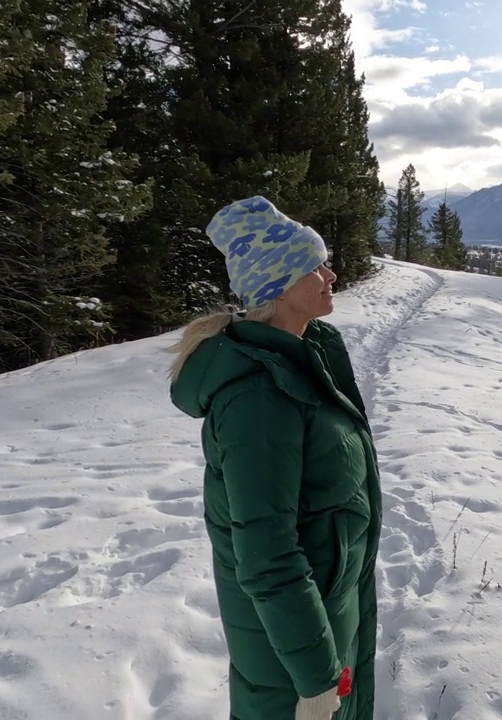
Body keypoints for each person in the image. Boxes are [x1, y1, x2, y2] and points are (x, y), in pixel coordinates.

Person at [168, 196, 380, 720]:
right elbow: (266, 556)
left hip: (323, 617)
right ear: (278, 287)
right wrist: (316, 680)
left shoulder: (305, 359)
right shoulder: (257, 400)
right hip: (293, 658)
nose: (331, 273)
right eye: (314, 266)